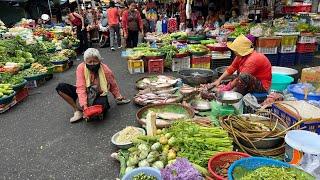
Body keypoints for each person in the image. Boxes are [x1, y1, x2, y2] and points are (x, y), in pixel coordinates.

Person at [56, 48, 130, 123]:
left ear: (99, 61)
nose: (92, 64)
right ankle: (77, 110)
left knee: (102, 107)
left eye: (95, 61)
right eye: (90, 62)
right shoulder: (81, 68)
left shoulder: (105, 70)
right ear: (85, 62)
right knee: (61, 87)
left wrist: (118, 96)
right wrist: (84, 106)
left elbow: (113, 84)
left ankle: (91, 109)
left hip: (98, 94)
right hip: (85, 91)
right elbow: (81, 88)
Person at [203, 34, 271, 95]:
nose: (234, 51)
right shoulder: (240, 55)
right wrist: (219, 80)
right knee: (232, 78)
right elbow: (232, 68)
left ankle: (234, 95)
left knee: (243, 77)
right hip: (250, 80)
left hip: (262, 87)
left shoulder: (253, 59)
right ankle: (229, 90)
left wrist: (226, 89)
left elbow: (240, 78)